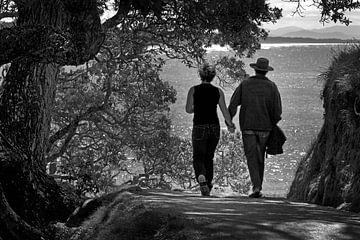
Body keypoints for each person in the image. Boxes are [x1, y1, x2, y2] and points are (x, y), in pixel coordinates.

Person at [228, 57, 282, 198]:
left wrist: (229, 121)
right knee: (260, 157)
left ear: (255, 69)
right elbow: (277, 111)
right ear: (266, 71)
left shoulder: (245, 84)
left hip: (248, 126)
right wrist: (272, 122)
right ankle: (258, 186)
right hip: (265, 127)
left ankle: (256, 186)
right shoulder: (272, 87)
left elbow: (233, 104)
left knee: (251, 157)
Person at [185, 63, 235, 196]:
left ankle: (201, 176)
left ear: (200, 76)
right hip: (214, 127)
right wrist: (230, 125)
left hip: (199, 126)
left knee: (198, 156)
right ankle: (208, 182)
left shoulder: (193, 90)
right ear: (213, 77)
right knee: (209, 156)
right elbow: (224, 111)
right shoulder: (218, 91)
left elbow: (188, 109)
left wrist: (198, 107)